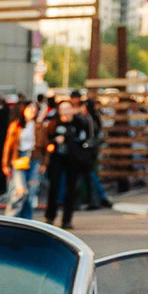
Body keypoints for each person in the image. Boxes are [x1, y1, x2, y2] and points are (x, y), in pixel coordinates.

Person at [40, 94, 94, 229]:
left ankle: (67, 219)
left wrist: (69, 139)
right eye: (62, 109)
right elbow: (47, 138)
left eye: (67, 108)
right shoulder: (54, 122)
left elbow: (84, 139)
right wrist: (54, 141)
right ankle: (50, 216)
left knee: (71, 189)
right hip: (57, 159)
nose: (65, 112)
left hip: (73, 160)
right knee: (54, 187)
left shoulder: (79, 122)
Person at [0, 99, 38, 220]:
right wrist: (5, 163)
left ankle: (27, 220)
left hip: (33, 158)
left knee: (31, 192)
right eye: (30, 108)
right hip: (19, 158)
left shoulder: (38, 125)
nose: (33, 110)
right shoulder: (16, 125)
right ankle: (11, 218)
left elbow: (44, 144)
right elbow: (8, 145)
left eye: (34, 108)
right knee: (20, 190)